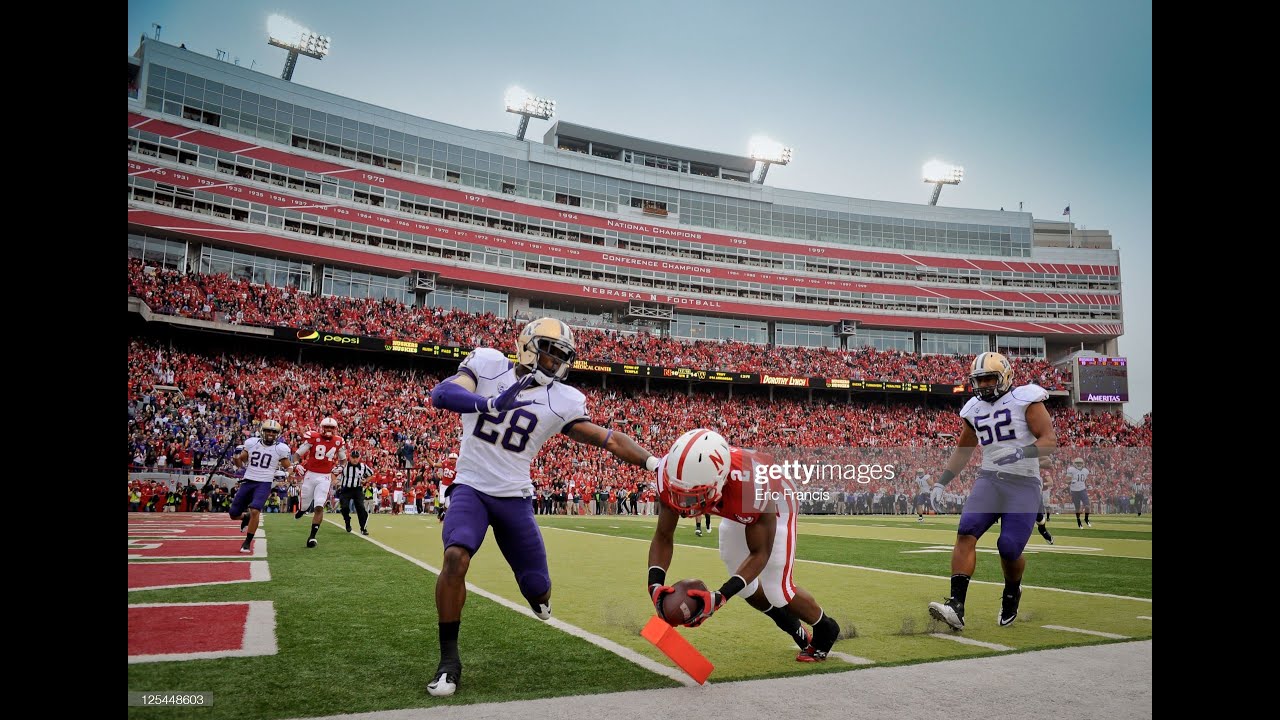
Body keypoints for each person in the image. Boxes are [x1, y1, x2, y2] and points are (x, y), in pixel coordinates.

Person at [425, 318, 661, 697]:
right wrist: (488, 402)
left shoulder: (562, 399)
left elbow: (609, 439)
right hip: (471, 486)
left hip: (515, 497)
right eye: (549, 353)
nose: (553, 363)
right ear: (527, 345)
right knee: (455, 557)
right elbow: (441, 395)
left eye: (561, 357)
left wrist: (655, 464)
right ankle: (449, 662)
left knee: (537, 588)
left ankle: (540, 599)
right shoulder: (486, 365)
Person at [647, 429, 841, 662]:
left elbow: (761, 553)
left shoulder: (751, 484)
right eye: (681, 492)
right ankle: (793, 627)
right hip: (735, 503)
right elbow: (663, 535)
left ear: (719, 479)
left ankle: (826, 627)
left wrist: (719, 597)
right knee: (743, 582)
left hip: (775, 504)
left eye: (693, 494)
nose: (684, 502)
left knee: (778, 590)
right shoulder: (674, 471)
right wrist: (654, 586)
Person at [927, 352, 1057, 630]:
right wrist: (942, 481)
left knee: (1008, 547)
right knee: (966, 530)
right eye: (979, 380)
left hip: (1023, 483)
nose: (984, 385)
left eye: (989, 378)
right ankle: (956, 606)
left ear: (1005, 376)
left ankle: (1012, 591)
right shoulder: (973, 408)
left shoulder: (1025, 398)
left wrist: (1021, 452)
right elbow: (963, 451)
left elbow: (1049, 440)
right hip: (990, 479)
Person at [230, 420, 294, 553]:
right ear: (262, 431)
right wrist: (236, 456)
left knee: (255, 510)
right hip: (248, 480)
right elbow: (240, 464)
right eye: (268, 431)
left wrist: (285, 474)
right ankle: (245, 517)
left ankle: (247, 542)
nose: (270, 433)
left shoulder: (280, 448)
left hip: (264, 482)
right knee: (233, 514)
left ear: (277, 434)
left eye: (274, 431)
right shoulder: (252, 443)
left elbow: (290, 467)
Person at [292, 417, 347, 548]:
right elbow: (297, 454)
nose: (328, 430)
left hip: (325, 477)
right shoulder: (313, 437)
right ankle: (302, 509)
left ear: (335, 429)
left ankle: (312, 537)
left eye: (331, 428)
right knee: (305, 504)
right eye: (326, 427)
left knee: (319, 506)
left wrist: (341, 467)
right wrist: (295, 464)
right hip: (310, 474)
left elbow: (343, 459)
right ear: (322, 427)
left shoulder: (338, 441)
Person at [337, 449, 373, 535]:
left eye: (357, 457)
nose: (355, 459)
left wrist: (365, 481)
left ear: (359, 458)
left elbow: (371, 474)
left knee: (361, 508)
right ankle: (347, 521)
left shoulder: (363, 466)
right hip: (346, 489)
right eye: (353, 457)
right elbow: (334, 472)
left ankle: (363, 528)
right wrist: (335, 481)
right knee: (344, 507)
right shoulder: (344, 466)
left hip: (357, 489)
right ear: (350, 457)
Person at [1067, 457, 1091, 528]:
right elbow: (1066, 480)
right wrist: (1071, 481)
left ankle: (1086, 519)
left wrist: (1088, 485)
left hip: (1082, 490)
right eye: (1077, 463)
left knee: (1087, 506)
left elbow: (1086, 480)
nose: (1079, 464)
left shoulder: (1086, 471)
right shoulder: (1071, 470)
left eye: (1080, 463)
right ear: (1074, 463)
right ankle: (1078, 521)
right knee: (1077, 508)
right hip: (1074, 491)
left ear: (1083, 463)